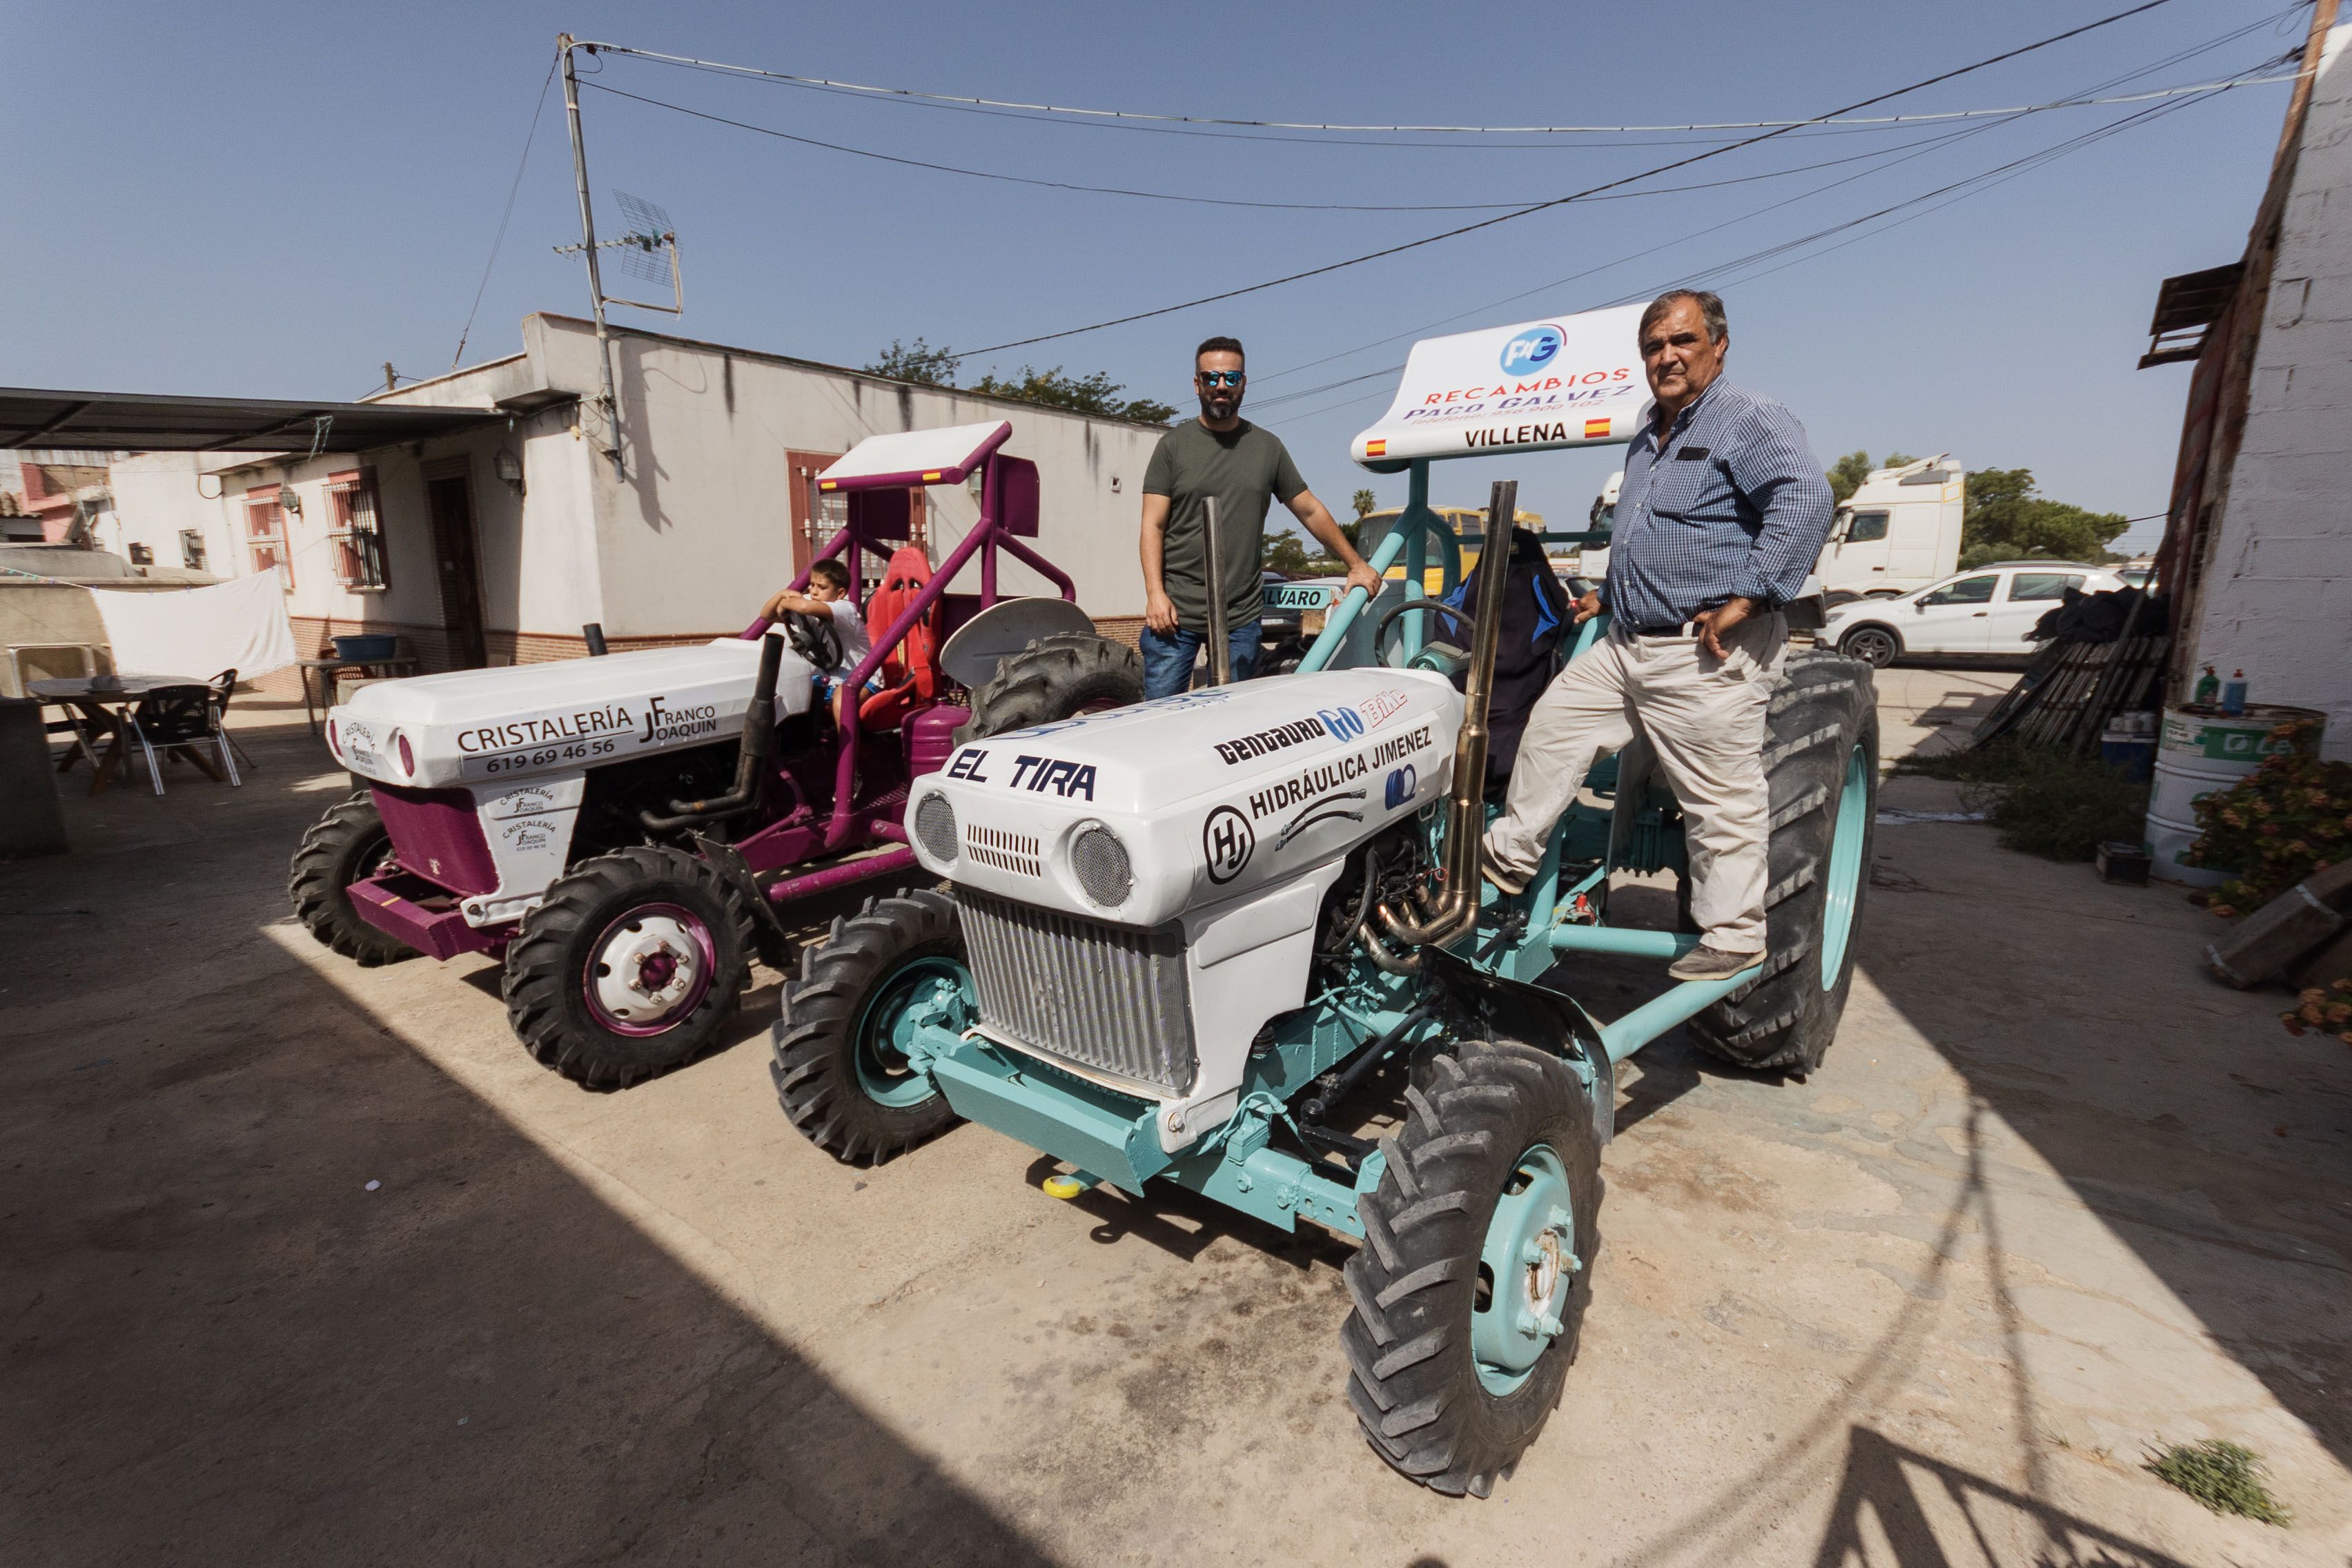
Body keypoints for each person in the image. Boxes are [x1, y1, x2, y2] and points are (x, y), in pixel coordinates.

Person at [1480, 290, 1835, 983]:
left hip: (1701, 648)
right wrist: (1608, 594)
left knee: (1716, 794)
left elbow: (1806, 497)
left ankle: (1734, 934)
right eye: (1653, 345)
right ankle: (1507, 860)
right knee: (1554, 722)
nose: (1666, 356)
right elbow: (1657, 533)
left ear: (1718, 345)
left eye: (1682, 341)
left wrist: (1753, 594)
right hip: (1628, 642)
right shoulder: (1650, 431)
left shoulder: (1749, 417)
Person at [1138, 335, 1382, 698]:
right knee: (1156, 721)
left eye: (1232, 378)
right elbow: (1152, 525)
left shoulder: (1267, 447)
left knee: (1234, 728)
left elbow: (1310, 509)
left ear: (1244, 383)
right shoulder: (1173, 446)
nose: (1221, 386)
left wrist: (1356, 564)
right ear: (1197, 384)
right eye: (1211, 378)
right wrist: (1155, 594)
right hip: (1176, 615)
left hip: (1241, 617)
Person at [761, 558, 874, 720]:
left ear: (840, 593)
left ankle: (848, 745)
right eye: (812, 585)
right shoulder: (814, 613)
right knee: (787, 693)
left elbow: (803, 607)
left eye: (822, 587)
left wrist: (785, 603)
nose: (814, 592)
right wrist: (781, 594)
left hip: (862, 675)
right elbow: (767, 615)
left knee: (842, 701)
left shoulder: (845, 609)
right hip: (831, 678)